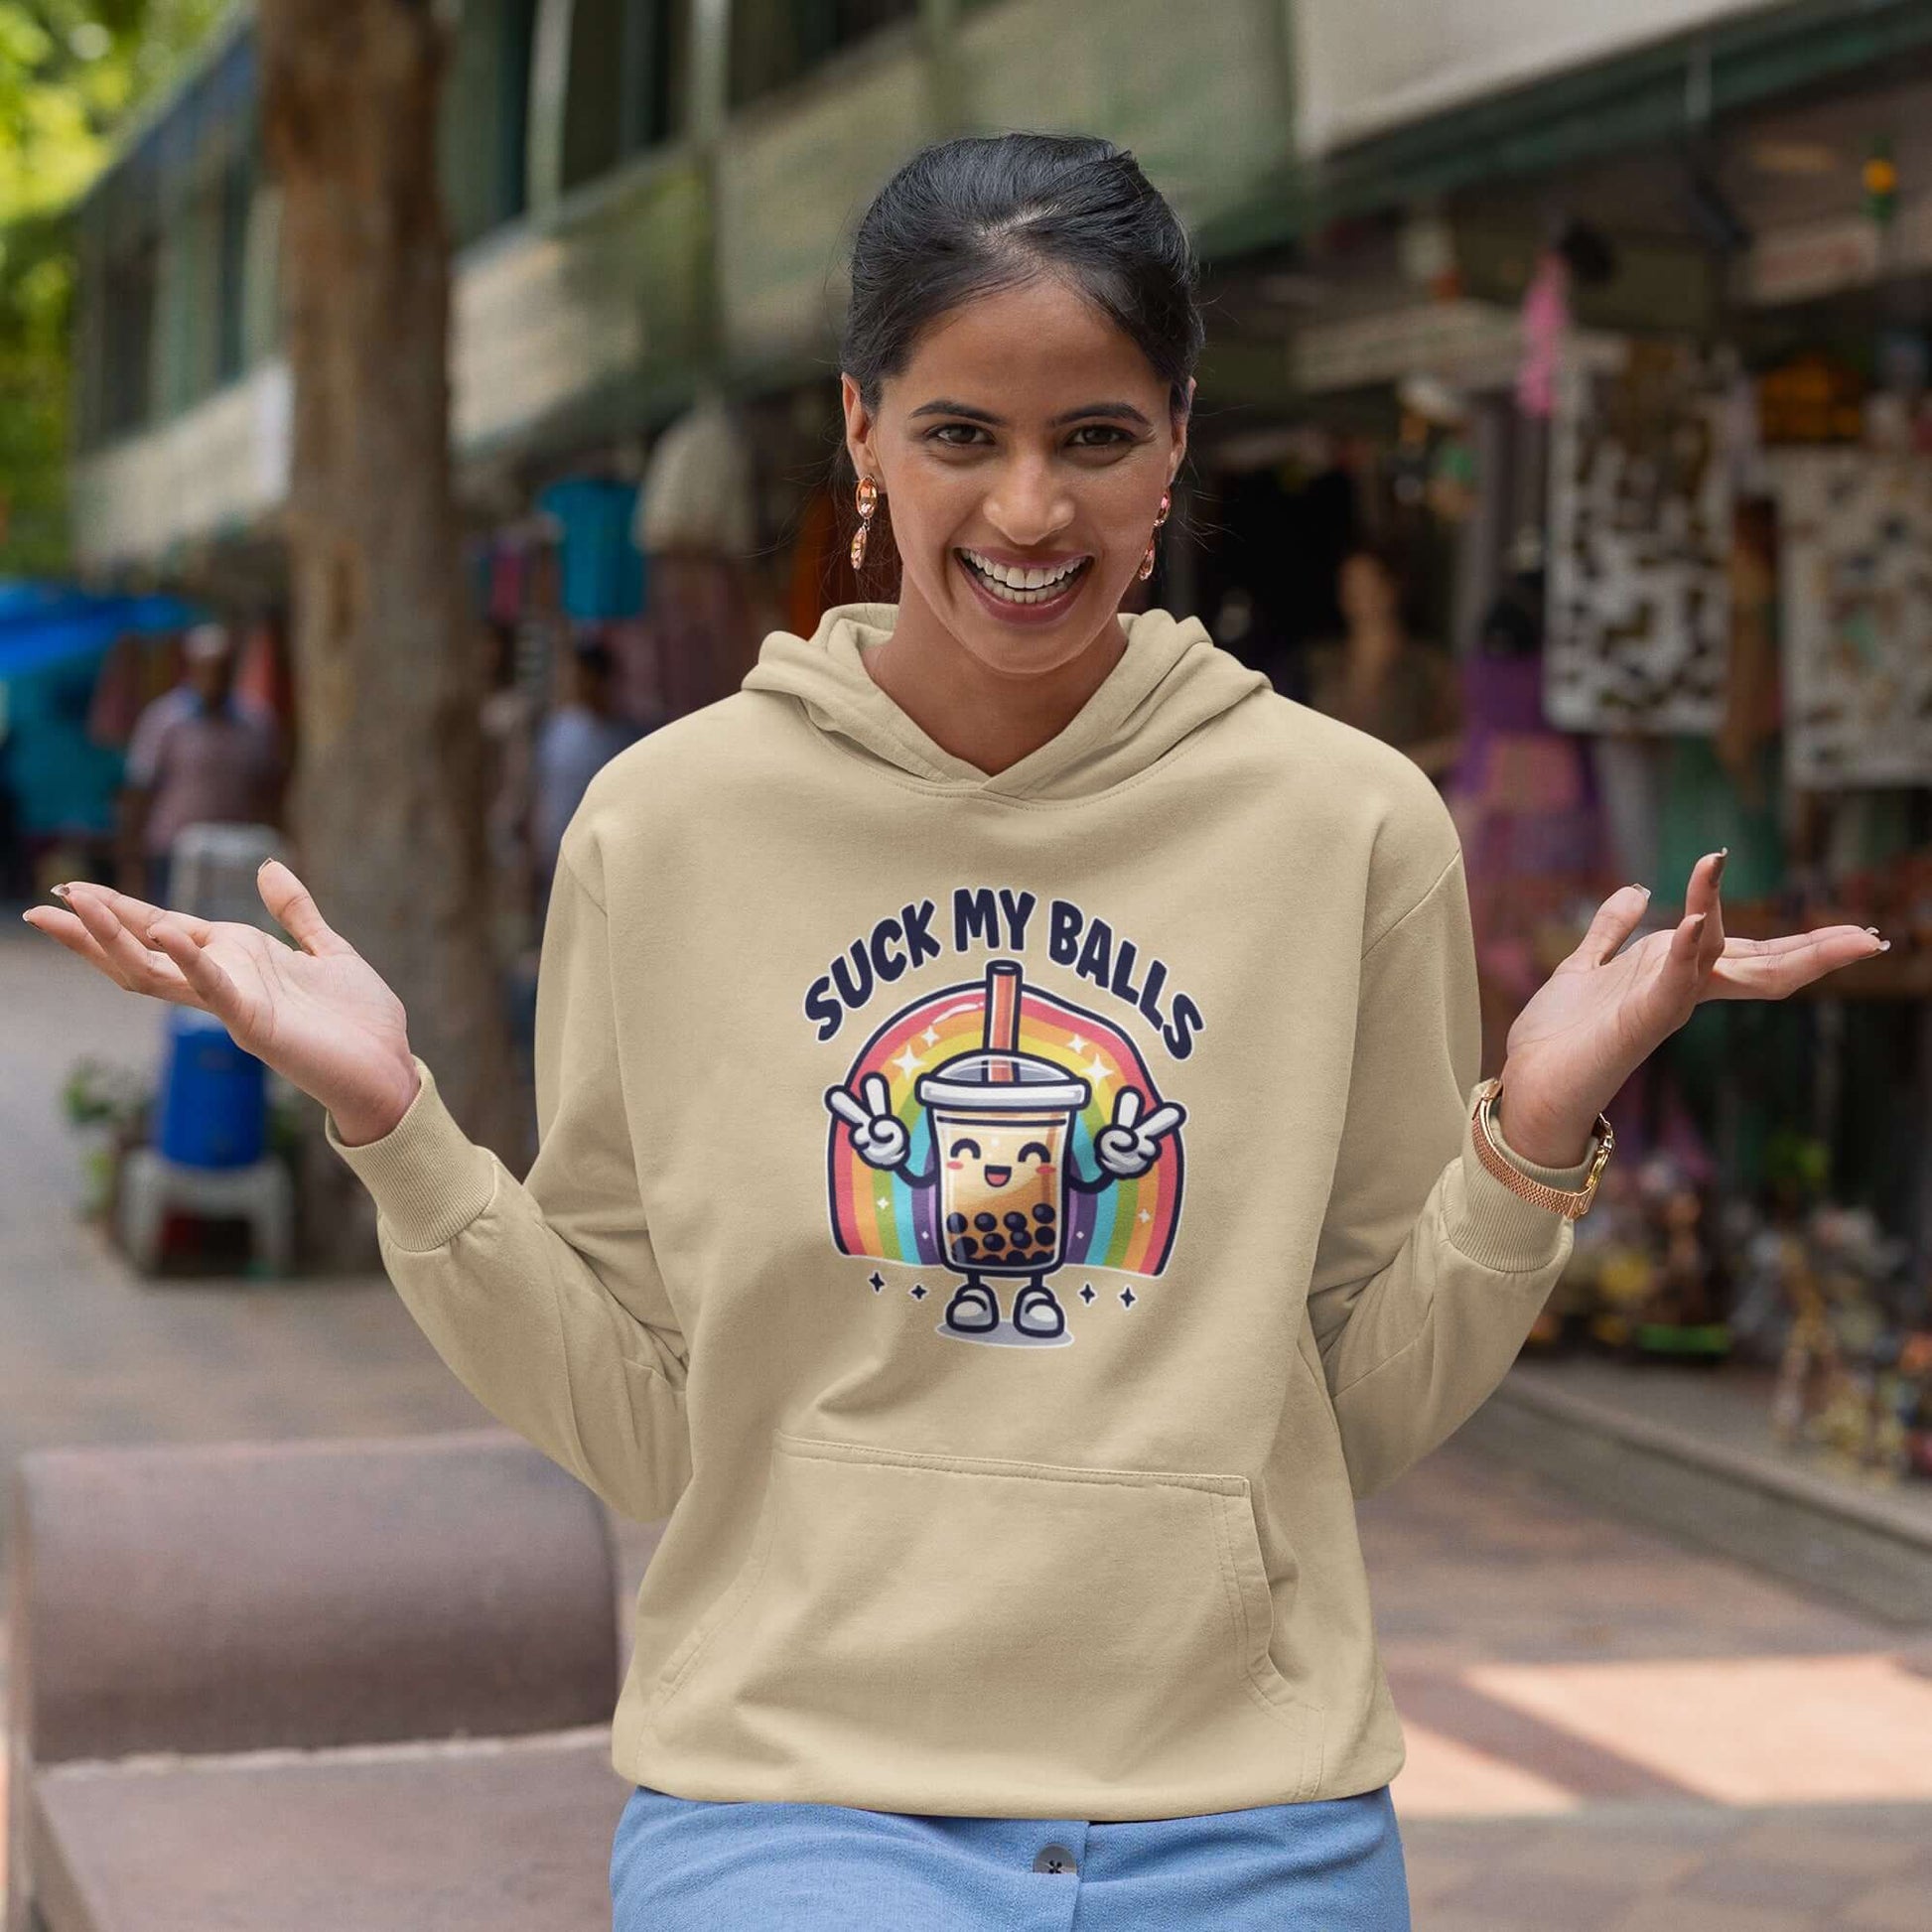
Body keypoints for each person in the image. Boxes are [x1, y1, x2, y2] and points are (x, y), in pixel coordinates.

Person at [24, 135, 1883, 1931]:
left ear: (1175, 444)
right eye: (958, 436)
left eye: (1094, 438)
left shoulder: (1348, 826)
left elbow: (1352, 1412)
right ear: (858, 434)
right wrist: (398, 1124)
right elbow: (649, 1427)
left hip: (1251, 1813)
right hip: (796, 1797)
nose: (1025, 511)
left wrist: (1529, 1135)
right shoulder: (667, 829)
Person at [117, 622, 285, 906]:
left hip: (235, 852)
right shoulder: (164, 720)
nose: (214, 680)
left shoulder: (256, 723)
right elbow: (139, 788)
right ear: (191, 669)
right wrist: (131, 862)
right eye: (207, 669)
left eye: (222, 670)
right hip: (172, 850)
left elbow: (270, 788)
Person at [1304, 542, 1464, 782]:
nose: (1361, 598)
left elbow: (1459, 743)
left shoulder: (1428, 665)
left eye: (1370, 585)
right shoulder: (1320, 662)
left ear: (1392, 587)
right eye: (1351, 586)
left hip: (1402, 797)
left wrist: (1401, 766)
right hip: (1332, 795)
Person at [530, 637, 642, 901]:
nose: (579, 684)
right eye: (576, 676)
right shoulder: (557, 732)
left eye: (586, 677)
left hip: (604, 861)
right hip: (557, 857)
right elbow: (541, 790)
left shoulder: (625, 737)